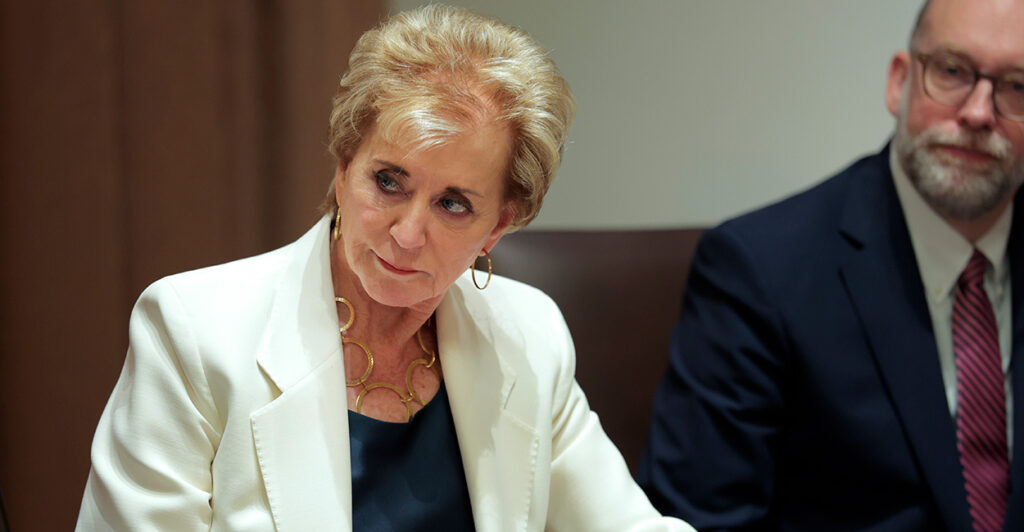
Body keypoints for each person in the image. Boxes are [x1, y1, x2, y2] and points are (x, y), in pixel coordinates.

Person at [77, 5, 693, 531]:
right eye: (389, 182)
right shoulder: (195, 329)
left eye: (454, 204)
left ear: (499, 226)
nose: (406, 234)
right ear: (343, 169)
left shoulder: (530, 335)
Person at [638, 0, 1024, 530]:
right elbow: (698, 521)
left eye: (1017, 88)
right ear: (899, 82)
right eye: (953, 72)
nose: (980, 113)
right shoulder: (759, 272)